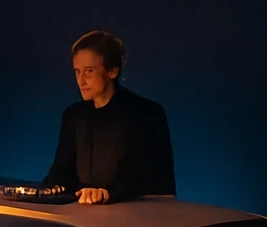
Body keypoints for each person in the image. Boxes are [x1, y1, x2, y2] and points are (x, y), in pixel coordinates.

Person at [42, 30, 176, 204]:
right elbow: (61, 172)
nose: (81, 80)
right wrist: (33, 194)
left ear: (112, 71)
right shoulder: (74, 115)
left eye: (89, 71)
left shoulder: (146, 114)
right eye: (77, 71)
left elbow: (151, 179)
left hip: (136, 218)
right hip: (83, 215)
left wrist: (105, 193)